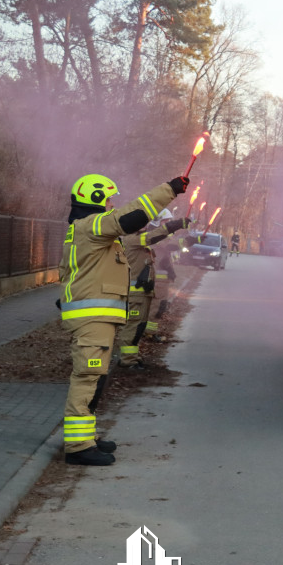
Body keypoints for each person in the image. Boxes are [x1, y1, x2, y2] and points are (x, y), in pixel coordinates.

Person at [59, 173, 188, 466]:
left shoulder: (82, 230)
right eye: (106, 199)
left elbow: (71, 272)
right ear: (94, 199)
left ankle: (85, 437)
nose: (110, 203)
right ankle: (78, 446)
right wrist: (169, 190)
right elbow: (131, 216)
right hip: (92, 319)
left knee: (95, 378)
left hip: (95, 317)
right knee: (88, 377)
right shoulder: (92, 224)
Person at [116, 210, 189, 368]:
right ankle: (128, 360)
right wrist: (173, 226)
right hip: (136, 293)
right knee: (133, 327)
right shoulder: (133, 239)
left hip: (142, 292)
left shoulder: (137, 239)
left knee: (139, 327)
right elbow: (151, 237)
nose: (147, 225)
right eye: (144, 222)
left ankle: (132, 357)